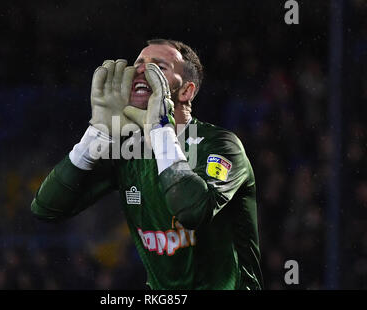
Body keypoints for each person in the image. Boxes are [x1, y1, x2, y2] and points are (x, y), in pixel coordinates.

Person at [31, 39, 263, 290]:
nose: (141, 70)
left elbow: (192, 211)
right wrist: (96, 135)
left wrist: (161, 128)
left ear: (186, 91)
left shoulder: (220, 146)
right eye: (139, 64)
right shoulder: (127, 151)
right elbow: (47, 209)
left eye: (158, 67)